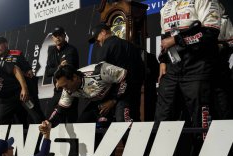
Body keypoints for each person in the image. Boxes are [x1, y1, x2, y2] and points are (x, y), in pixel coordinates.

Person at [155, 0, 221, 128]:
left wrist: (176, 40)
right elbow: (165, 37)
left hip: (197, 67)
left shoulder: (204, 1)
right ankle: (162, 147)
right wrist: (163, 61)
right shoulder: (166, 7)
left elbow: (210, 33)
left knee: (200, 120)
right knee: (163, 116)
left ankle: (202, 148)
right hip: (172, 69)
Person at [89, 23, 145, 122]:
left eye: (96, 38)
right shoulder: (131, 46)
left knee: (122, 130)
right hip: (133, 95)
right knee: (134, 126)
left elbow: (100, 78)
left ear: (103, 32)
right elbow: (141, 71)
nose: (97, 42)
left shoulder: (106, 47)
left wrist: (113, 99)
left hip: (118, 100)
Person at [47, 62, 127, 127]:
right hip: (99, 101)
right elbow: (61, 110)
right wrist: (49, 123)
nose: (64, 89)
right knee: (82, 125)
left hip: (119, 94)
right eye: (62, 87)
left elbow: (126, 77)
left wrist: (113, 100)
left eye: (65, 86)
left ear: (74, 77)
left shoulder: (99, 71)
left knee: (121, 120)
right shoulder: (68, 89)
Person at [0, 36, 45, 124]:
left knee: (36, 116)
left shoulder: (17, 54)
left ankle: (45, 135)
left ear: (6, 44)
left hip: (22, 93)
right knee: (0, 121)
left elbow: (29, 72)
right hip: (8, 96)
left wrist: (27, 87)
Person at [44, 26, 79, 122]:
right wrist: (59, 67)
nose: (58, 37)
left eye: (60, 35)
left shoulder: (71, 50)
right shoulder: (51, 52)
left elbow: (68, 70)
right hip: (58, 90)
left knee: (70, 120)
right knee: (51, 117)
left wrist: (57, 69)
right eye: (55, 36)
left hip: (70, 89)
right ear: (52, 38)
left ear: (64, 36)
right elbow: (47, 72)